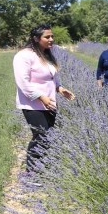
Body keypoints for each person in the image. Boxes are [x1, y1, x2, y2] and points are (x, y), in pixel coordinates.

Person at [13, 24, 75, 171]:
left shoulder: (46, 54)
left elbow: (51, 77)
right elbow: (23, 82)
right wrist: (41, 97)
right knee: (41, 136)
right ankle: (32, 172)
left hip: (49, 103)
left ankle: (44, 167)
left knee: (49, 136)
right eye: (47, 37)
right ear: (36, 38)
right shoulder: (24, 56)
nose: (51, 39)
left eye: (52, 36)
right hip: (32, 104)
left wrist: (60, 88)